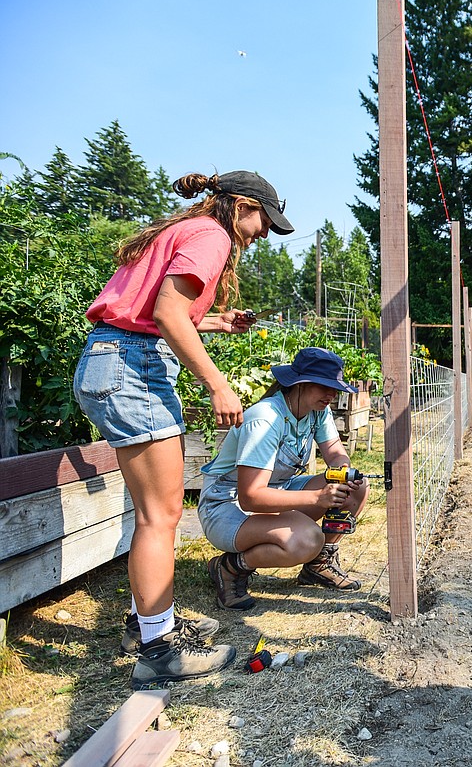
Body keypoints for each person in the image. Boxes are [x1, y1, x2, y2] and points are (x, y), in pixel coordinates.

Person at [73, 170, 295, 689]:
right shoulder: (213, 235)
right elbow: (167, 313)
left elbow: (150, 309)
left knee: (156, 513)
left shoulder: (187, 229)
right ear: (241, 205)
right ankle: (158, 649)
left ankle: (150, 623)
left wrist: (215, 321)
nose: (263, 232)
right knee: (162, 514)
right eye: (264, 220)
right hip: (134, 368)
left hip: (112, 357)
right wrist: (218, 383)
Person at [199, 347, 370, 611]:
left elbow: (336, 453)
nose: (332, 395)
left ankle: (318, 565)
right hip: (226, 505)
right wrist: (317, 497)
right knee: (306, 539)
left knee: (356, 488)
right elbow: (251, 497)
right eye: (324, 386)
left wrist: (344, 472)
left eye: (334, 387)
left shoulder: (316, 411)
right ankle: (229, 568)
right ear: (299, 383)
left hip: (278, 491)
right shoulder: (266, 419)